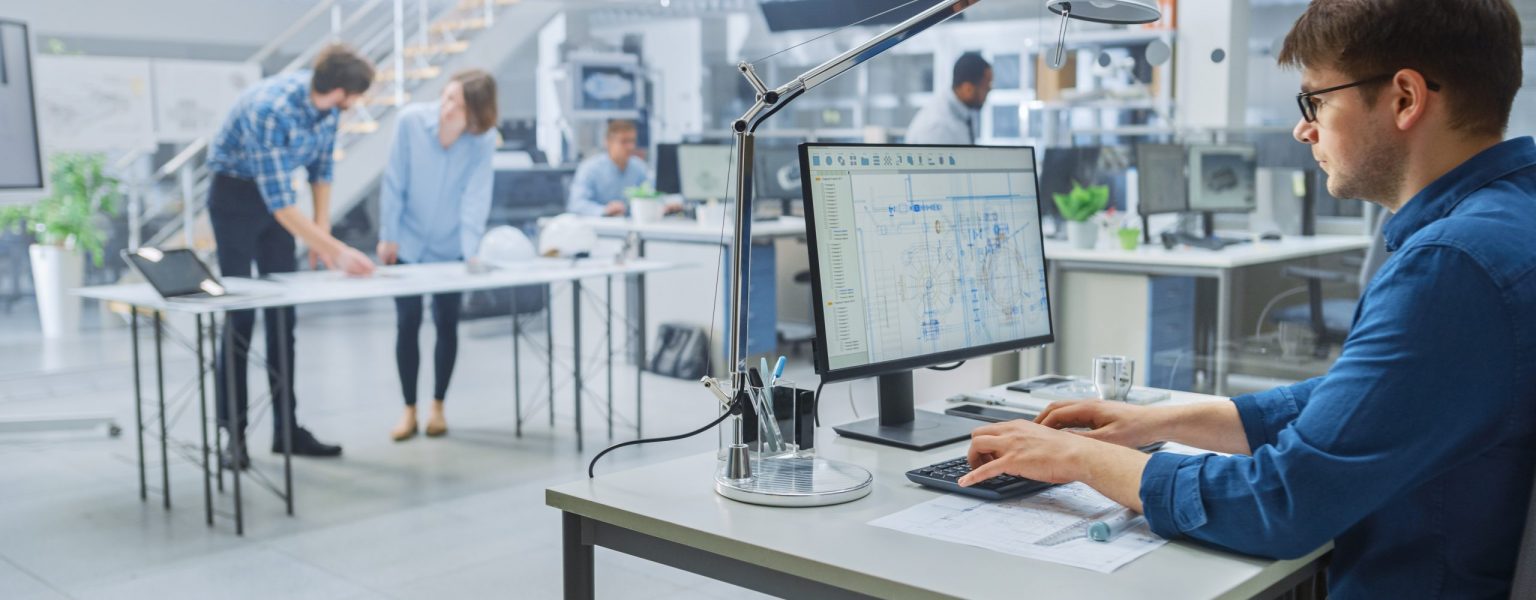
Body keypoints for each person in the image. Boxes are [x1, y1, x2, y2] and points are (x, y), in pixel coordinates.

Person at [959, 1, 1532, 597]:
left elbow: (1282, 503)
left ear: (1405, 99)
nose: (1303, 128)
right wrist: (1162, 420)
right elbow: (1371, 401)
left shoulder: (1453, 266)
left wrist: (1076, 460)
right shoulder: (1512, 218)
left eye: (1317, 100)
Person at [205, 44, 377, 469]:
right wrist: (335, 252)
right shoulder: (270, 108)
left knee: (284, 318)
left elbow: (321, 171)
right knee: (240, 318)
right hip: (234, 200)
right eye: (356, 98)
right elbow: (281, 204)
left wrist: (320, 235)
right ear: (340, 92)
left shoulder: (327, 110)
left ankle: (287, 430)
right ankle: (234, 435)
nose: (357, 105)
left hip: (277, 206)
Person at [376, 69, 498, 441]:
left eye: (457, 105)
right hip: (408, 245)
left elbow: (476, 197)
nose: (446, 108)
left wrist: (470, 252)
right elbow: (394, 181)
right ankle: (408, 409)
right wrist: (388, 236)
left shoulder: (482, 141)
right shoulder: (411, 122)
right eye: (446, 98)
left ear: (475, 114)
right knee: (407, 323)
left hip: (450, 249)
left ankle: (438, 408)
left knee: (447, 324)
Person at [566, 120, 650, 217]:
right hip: (598, 228)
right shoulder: (590, 168)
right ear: (608, 142)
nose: (630, 147)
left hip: (631, 227)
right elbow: (576, 204)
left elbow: (650, 195)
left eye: (632, 141)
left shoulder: (639, 167)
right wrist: (604, 210)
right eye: (624, 141)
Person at [905, 52, 991, 145]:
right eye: (986, 86)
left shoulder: (963, 112)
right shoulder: (937, 128)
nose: (990, 89)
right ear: (968, 89)